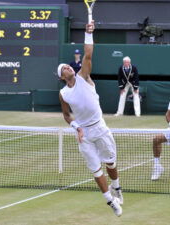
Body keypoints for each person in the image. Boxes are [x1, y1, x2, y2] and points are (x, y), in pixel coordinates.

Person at [57, 20, 123, 217]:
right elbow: (67, 115)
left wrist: (88, 33)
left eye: (67, 67)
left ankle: (117, 188)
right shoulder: (63, 94)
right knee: (96, 170)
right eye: (63, 70)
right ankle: (110, 201)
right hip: (84, 134)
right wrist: (76, 127)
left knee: (110, 163)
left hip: (100, 128)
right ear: (61, 77)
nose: (67, 69)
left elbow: (88, 54)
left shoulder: (83, 76)